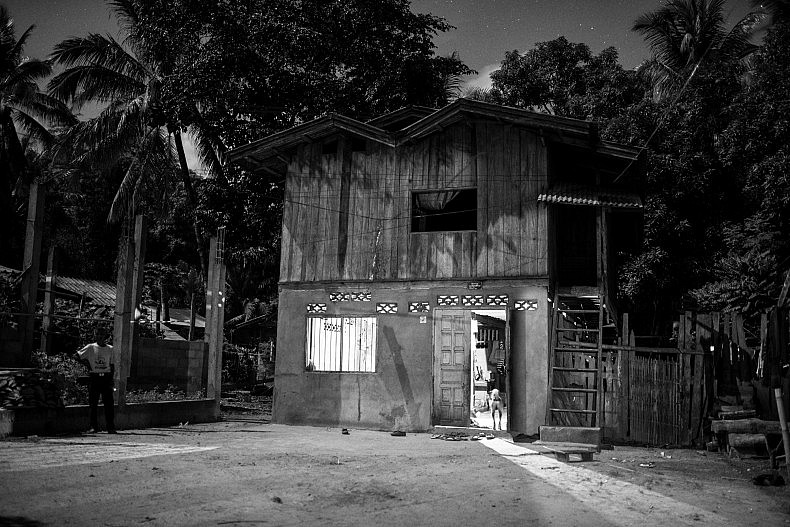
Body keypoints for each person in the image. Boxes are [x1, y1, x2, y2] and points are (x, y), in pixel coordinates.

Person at [77, 330, 116, 434]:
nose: (100, 336)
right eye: (98, 334)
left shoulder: (110, 349)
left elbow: (112, 365)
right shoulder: (90, 347)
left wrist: (111, 379)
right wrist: (87, 364)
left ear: (105, 336)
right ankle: (93, 426)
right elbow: (77, 355)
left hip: (106, 377)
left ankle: (110, 427)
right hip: (95, 377)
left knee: (109, 404)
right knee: (93, 403)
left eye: (102, 334)